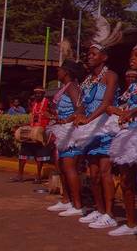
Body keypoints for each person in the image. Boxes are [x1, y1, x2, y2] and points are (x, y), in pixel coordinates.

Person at [74, 12, 122, 230]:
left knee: (104, 172)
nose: (89, 56)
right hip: (89, 130)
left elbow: (106, 102)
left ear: (104, 57)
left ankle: (110, 213)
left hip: (105, 128)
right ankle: (100, 209)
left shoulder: (110, 75)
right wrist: (78, 115)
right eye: (88, 53)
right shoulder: (87, 80)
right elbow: (82, 103)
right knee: (92, 174)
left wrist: (88, 120)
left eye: (93, 53)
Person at [106, 43, 137, 237]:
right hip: (129, 133)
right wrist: (116, 110)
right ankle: (131, 223)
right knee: (127, 181)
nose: (132, 59)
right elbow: (124, 107)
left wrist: (127, 112)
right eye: (131, 55)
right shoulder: (134, 86)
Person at [45, 45, 87, 217]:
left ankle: (78, 205)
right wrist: (55, 115)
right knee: (62, 167)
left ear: (67, 72)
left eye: (60, 70)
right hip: (62, 131)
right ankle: (66, 200)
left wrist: (67, 120)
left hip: (72, 132)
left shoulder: (72, 87)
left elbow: (80, 109)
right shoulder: (64, 87)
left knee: (70, 168)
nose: (57, 72)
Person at [11, 87, 51, 183]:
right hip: (32, 131)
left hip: (41, 132)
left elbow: (53, 115)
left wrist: (49, 116)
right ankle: (20, 175)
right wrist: (22, 126)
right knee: (23, 154)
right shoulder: (34, 104)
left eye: (39, 93)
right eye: (36, 93)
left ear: (43, 94)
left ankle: (38, 177)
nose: (37, 95)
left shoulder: (48, 103)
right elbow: (32, 120)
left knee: (39, 156)